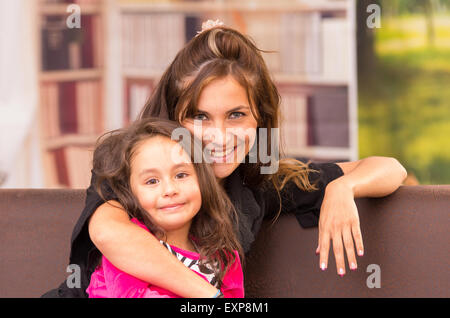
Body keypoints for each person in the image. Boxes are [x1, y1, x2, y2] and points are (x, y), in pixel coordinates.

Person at [42, 22, 407, 298]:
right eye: (199, 117)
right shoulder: (132, 160)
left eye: (236, 115)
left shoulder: (258, 183)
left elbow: (391, 167)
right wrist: (209, 296)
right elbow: (110, 232)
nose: (218, 137)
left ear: (260, 119)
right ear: (174, 116)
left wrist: (344, 187)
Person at [84, 118, 243, 298]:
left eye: (181, 175)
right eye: (152, 181)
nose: (170, 190)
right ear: (130, 194)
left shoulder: (224, 257)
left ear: (202, 180)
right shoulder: (129, 248)